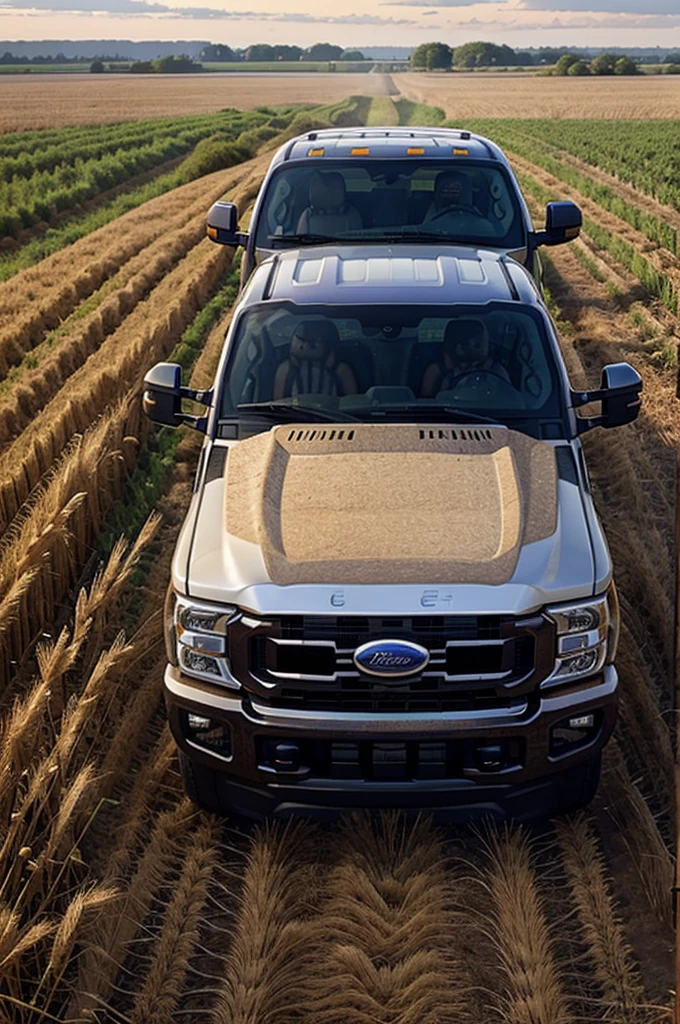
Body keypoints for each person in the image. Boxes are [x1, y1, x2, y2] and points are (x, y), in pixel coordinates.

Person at [420, 319, 510, 398]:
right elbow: (425, 405)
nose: (476, 347)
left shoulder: (496, 371)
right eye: (474, 343)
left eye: (478, 344)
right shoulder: (437, 371)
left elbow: (509, 401)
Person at [273, 320, 358, 399]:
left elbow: (351, 402)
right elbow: (278, 402)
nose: (303, 345)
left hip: (331, 414)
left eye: (312, 341)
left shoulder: (341, 370)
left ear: (328, 343)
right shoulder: (286, 369)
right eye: (301, 339)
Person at [296, 172, 362, 236]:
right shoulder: (308, 215)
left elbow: (359, 241)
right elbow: (299, 241)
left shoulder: (352, 214)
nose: (328, 194)